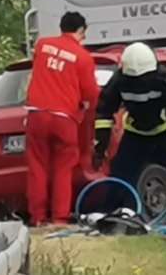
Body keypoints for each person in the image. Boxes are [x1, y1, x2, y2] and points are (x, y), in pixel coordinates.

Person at [94, 42, 166, 221]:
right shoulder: (119, 81)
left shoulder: (165, 81)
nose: (139, 83)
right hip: (135, 134)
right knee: (120, 176)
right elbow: (104, 110)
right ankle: (111, 218)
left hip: (164, 133)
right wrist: (101, 144)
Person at [25, 11, 99, 226]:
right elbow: (90, 94)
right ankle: (59, 217)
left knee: (37, 166)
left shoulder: (42, 45)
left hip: (37, 114)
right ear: (81, 31)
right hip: (64, 118)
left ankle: (38, 217)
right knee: (63, 168)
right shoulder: (83, 57)